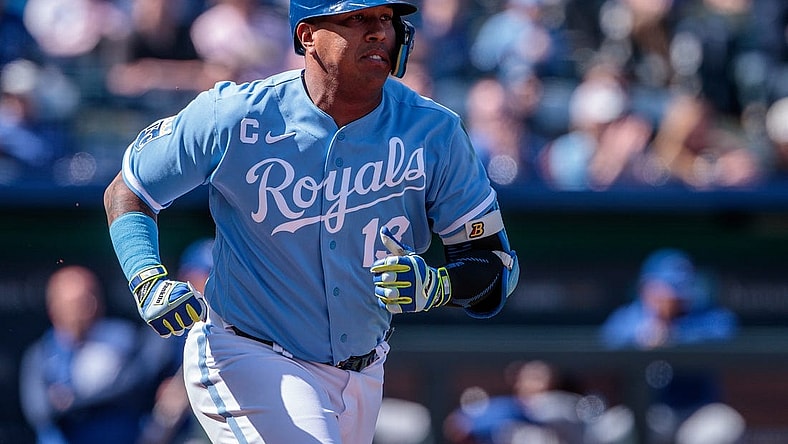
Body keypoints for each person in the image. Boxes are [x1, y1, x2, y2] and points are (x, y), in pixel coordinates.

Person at [102, 1, 520, 443]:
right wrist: (146, 277)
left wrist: (441, 285)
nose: (379, 32)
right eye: (356, 19)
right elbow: (129, 188)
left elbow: (495, 265)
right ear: (307, 36)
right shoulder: (237, 114)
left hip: (364, 369)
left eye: (386, 19)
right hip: (246, 351)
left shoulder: (435, 131)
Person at [600, 249, 744, 444]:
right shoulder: (630, 318)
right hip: (649, 410)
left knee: (722, 427)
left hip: (695, 411)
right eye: (668, 288)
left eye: (681, 290)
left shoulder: (706, 317)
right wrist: (645, 336)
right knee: (612, 430)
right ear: (647, 287)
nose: (675, 298)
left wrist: (673, 336)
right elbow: (610, 339)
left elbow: (725, 332)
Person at [18, 265, 175, 444]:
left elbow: (136, 381)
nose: (89, 308)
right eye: (78, 303)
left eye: (93, 297)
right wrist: (105, 398)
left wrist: (72, 400)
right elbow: (39, 410)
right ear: (54, 309)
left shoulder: (124, 338)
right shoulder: (41, 354)